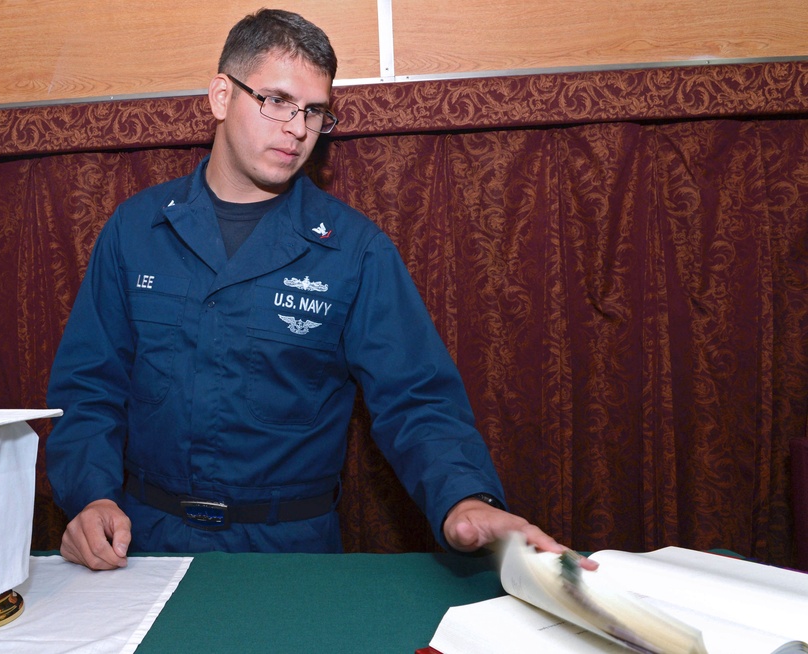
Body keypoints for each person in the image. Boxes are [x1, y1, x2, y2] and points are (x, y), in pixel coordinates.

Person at [46, 8, 586, 571]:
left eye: (314, 111)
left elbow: (416, 398)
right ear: (220, 97)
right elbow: (89, 387)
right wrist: (91, 496)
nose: (298, 128)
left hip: (289, 556)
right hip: (143, 546)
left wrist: (464, 497)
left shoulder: (354, 249)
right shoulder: (136, 229)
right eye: (276, 101)